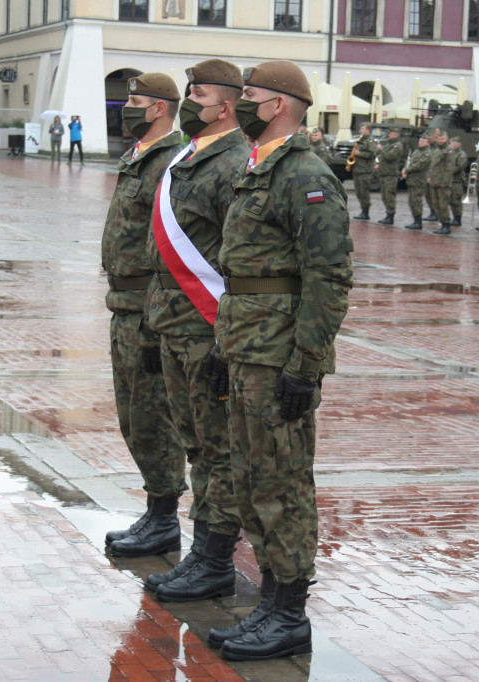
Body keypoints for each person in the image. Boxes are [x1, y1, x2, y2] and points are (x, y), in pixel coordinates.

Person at [207, 59, 353, 662]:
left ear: (279, 105)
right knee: (250, 476)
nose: (241, 105)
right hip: (246, 347)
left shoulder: (306, 175)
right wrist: (222, 346)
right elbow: (240, 274)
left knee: (284, 482)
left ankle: (290, 612)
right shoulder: (256, 168)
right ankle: (270, 600)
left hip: (279, 356)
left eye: (251, 96)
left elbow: (329, 275)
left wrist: (306, 363)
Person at [143, 59, 250, 603]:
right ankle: (199, 553)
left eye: (198, 93)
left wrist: (227, 340)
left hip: (207, 330)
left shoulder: (234, 163)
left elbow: (238, 259)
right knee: (194, 445)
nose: (189, 100)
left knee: (217, 451)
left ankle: (213, 560)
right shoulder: (189, 155)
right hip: (174, 325)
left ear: (224, 105)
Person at [101, 73, 186, 558]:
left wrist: (159, 314)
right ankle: (156, 509)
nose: (125, 107)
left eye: (134, 101)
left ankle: (164, 517)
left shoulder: (169, 162)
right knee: (132, 417)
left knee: (155, 417)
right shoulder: (137, 158)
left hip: (149, 308)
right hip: (124, 306)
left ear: (158, 109)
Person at [401, 135, 432, 229]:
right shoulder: (416, 151)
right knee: (411, 201)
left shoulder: (427, 153)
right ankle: (415, 220)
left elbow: (419, 165)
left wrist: (407, 170)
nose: (421, 143)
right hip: (412, 180)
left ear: (427, 143)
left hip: (419, 180)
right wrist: (405, 169)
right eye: (420, 141)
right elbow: (409, 162)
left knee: (417, 201)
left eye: (423, 141)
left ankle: (418, 222)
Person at [428, 129, 456, 234]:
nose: (440, 140)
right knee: (436, 204)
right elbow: (432, 166)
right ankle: (442, 223)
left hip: (443, 183)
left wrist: (445, 181)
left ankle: (446, 225)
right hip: (434, 181)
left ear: (447, 139)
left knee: (443, 204)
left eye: (443, 138)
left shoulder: (449, 151)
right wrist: (429, 176)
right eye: (439, 138)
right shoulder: (436, 150)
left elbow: (449, 168)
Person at [376, 128, 403, 225]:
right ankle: (388, 214)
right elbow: (383, 157)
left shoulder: (396, 145)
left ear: (397, 135)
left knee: (389, 195)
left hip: (391, 174)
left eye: (392, 134)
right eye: (390, 133)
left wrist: (381, 149)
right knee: (384, 196)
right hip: (384, 172)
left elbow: (390, 157)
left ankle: (391, 215)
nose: (390, 135)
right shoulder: (389, 144)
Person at [351, 123, 376, 221]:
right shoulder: (360, 140)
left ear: (368, 130)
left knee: (364, 192)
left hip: (365, 170)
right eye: (360, 128)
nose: (360, 130)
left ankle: (365, 212)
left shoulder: (370, 141)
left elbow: (372, 153)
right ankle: (362, 210)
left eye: (362, 129)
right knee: (358, 192)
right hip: (357, 169)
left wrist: (359, 153)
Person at [448, 136, 469, 226]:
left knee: (456, 200)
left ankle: (457, 218)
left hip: (457, 180)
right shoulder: (451, 153)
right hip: (450, 180)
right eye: (451, 143)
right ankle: (454, 217)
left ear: (458, 144)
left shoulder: (461, 155)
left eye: (453, 143)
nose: (451, 145)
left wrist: (447, 172)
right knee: (451, 200)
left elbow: (459, 167)